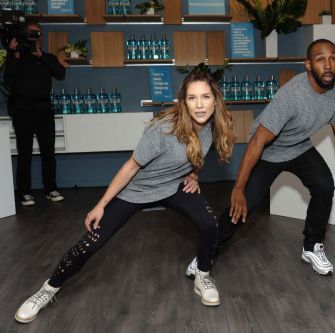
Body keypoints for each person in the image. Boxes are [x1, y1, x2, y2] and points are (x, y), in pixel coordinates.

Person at [14, 71, 236, 323]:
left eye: (205, 97)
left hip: (173, 186)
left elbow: (200, 152)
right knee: (92, 242)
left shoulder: (214, 124)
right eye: (192, 98)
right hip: (137, 190)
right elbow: (130, 167)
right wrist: (100, 205)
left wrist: (194, 175)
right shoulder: (163, 130)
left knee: (209, 224)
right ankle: (47, 290)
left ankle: (202, 273)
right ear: (183, 102)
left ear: (215, 100)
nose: (199, 104)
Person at [185, 39, 335, 278]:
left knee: (324, 186)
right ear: (308, 65)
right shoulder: (291, 95)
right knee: (242, 207)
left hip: (299, 147)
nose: (328, 65)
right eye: (321, 60)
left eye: (333, 58)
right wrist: (238, 187)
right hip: (269, 150)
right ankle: (207, 253)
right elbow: (258, 140)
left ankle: (312, 246)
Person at [3, 22, 66, 206]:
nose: (39, 37)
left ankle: (51, 189)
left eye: (40, 34)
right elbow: (8, 81)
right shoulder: (16, 57)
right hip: (22, 110)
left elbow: (60, 73)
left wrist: (40, 56)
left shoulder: (48, 57)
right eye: (34, 33)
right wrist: (13, 54)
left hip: (44, 110)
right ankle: (24, 192)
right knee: (25, 152)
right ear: (25, 36)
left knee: (48, 152)